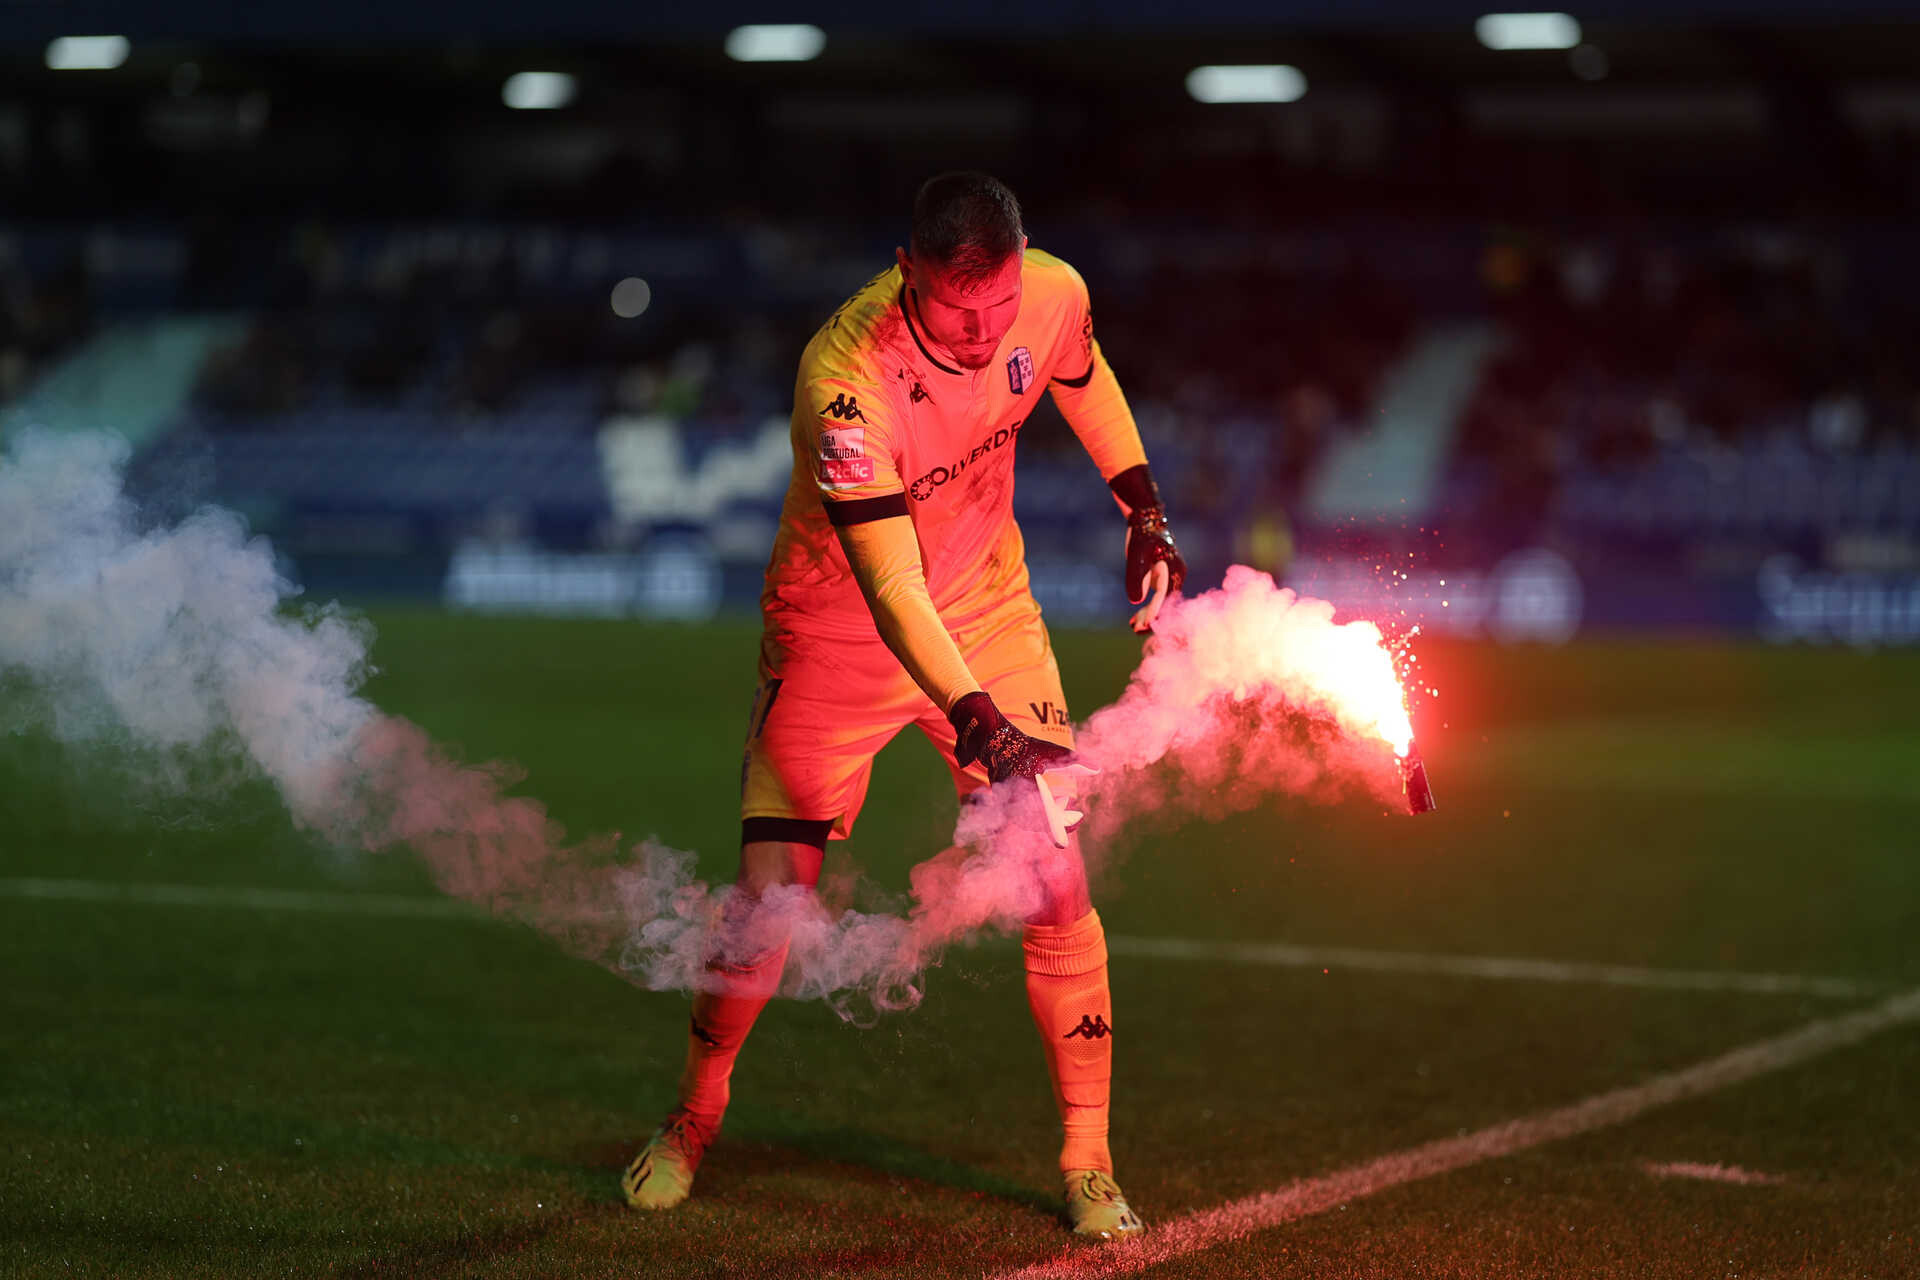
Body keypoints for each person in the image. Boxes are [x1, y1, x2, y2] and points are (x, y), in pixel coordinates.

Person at [620, 171, 1186, 1240]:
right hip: (838, 630)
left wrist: (1142, 506)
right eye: (951, 307)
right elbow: (889, 588)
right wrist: (977, 714)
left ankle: (1088, 1157)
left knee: (1054, 868)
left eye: (998, 304)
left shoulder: (1052, 292)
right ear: (904, 270)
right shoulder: (843, 379)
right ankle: (694, 1115)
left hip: (985, 604)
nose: (979, 333)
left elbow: (1084, 377)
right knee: (767, 905)